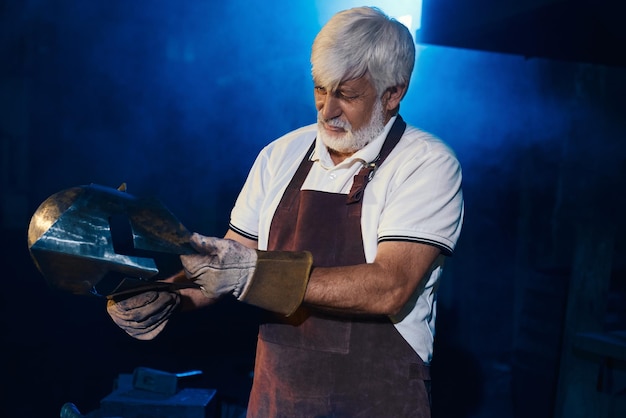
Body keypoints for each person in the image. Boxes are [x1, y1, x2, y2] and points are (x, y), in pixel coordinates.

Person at [107, 6, 464, 417]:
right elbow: (226, 261)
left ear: (393, 93)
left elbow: (390, 286)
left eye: (347, 95)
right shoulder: (280, 155)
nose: (327, 110)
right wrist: (170, 296)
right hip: (279, 399)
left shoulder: (426, 163)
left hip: (377, 402)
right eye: (320, 89)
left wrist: (253, 273)